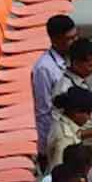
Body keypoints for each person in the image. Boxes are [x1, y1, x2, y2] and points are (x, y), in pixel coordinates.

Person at [32, 14, 79, 168]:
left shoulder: (72, 58)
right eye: (69, 39)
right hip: (57, 138)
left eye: (75, 37)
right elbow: (44, 112)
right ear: (55, 40)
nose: (74, 42)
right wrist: (46, 150)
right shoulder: (44, 69)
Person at [47, 86, 92, 172]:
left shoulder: (64, 119)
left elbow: (77, 132)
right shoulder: (65, 139)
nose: (90, 118)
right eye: (88, 113)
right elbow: (59, 173)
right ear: (76, 112)